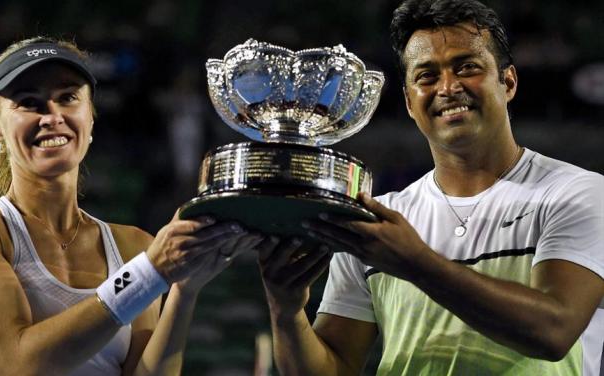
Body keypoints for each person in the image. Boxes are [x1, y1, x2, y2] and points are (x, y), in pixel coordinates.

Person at [258, 0, 604, 374]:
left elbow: (554, 331)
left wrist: (416, 262)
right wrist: (286, 310)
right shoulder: (380, 221)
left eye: (467, 67)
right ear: (409, 102)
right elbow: (335, 368)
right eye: (427, 76)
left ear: (508, 82)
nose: (449, 87)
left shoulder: (576, 192)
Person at [0, 36, 263, 375]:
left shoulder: (135, 246)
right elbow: (19, 366)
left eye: (68, 98)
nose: (52, 116)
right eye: (29, 102)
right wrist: (151, 273)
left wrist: (183, 289)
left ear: (90, 119)